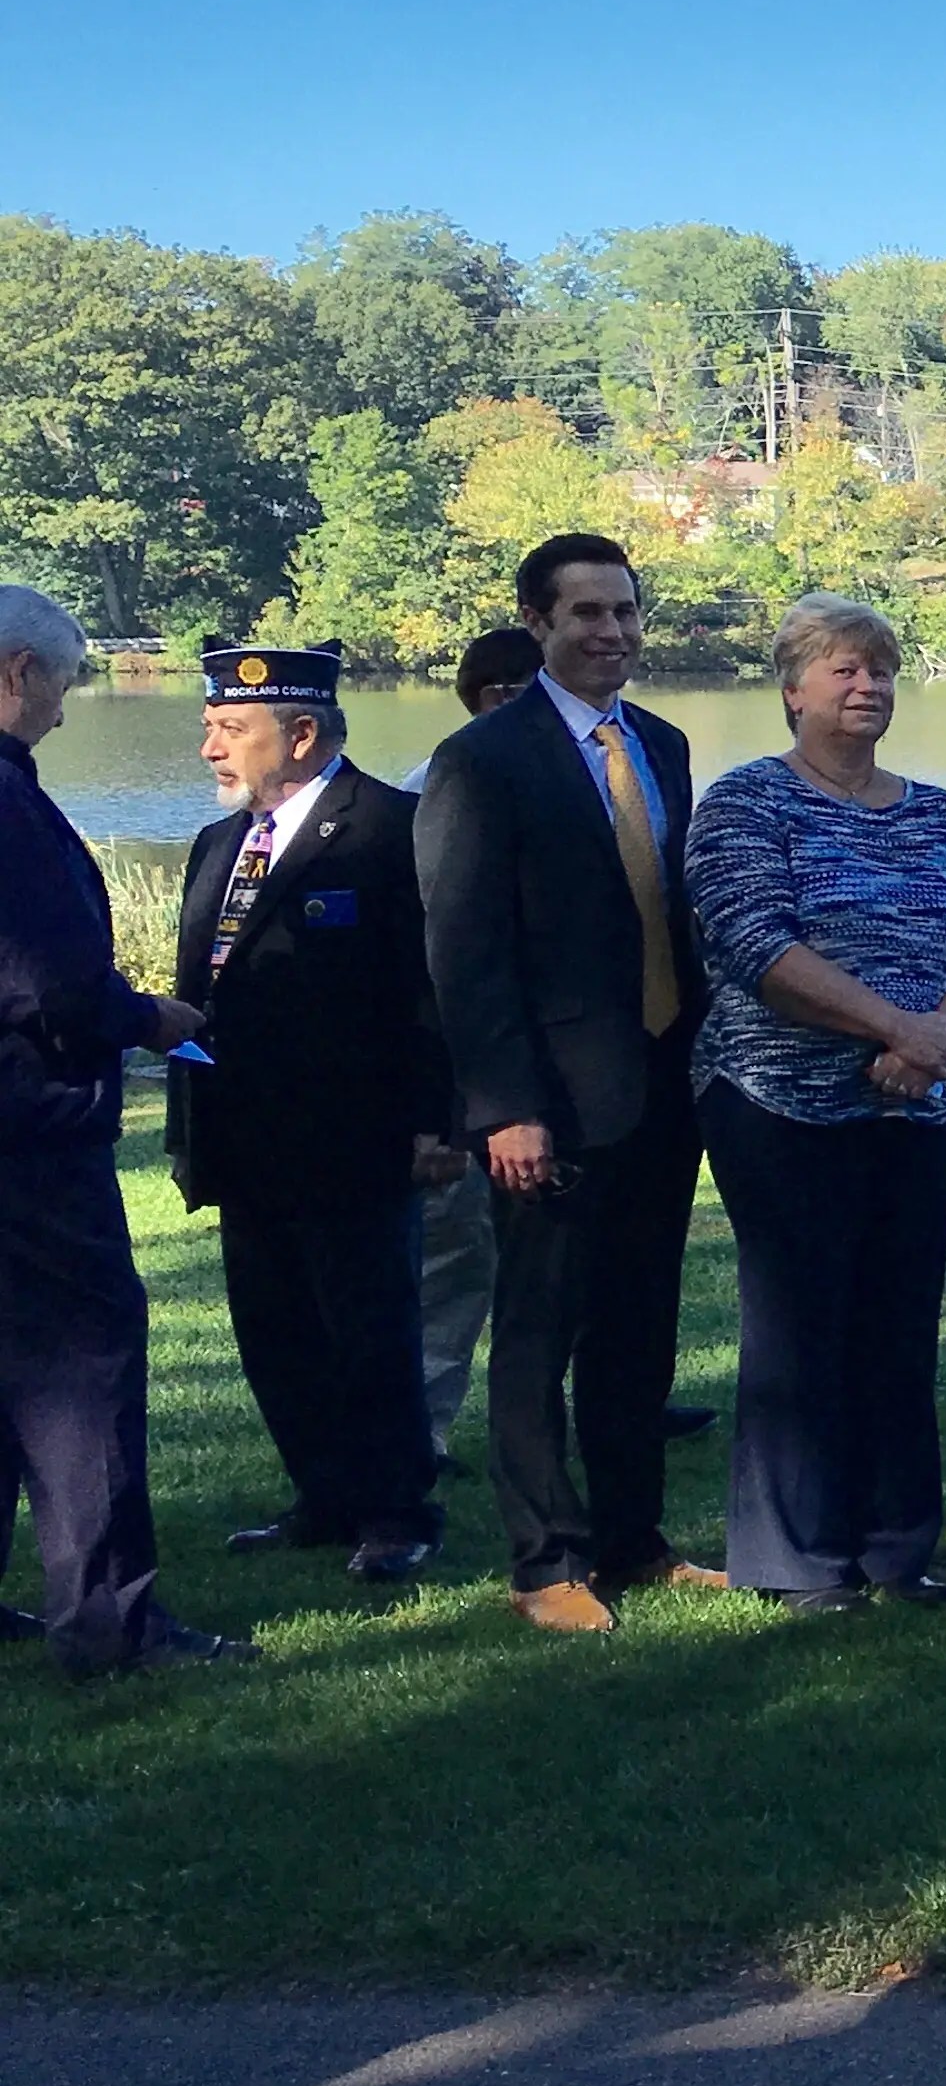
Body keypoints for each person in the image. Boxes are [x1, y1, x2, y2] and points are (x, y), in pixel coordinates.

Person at [686, 598, 946, 1613]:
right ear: (793, 692)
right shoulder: (746, 805)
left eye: (879, 669)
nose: (866, 686)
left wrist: (938, 1040)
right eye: (843, 670)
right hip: (778, 1105)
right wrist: (895, 1029)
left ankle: (895, 1545)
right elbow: (757, 947)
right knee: (800, 1327)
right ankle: (798, 1555)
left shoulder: (940, 814)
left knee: (897, 1323)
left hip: (912, 1107)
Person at [418, 532, 727, 1633]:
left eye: (626, 613)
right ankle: (545, 1560)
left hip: (659, 1085)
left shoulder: (666, 744)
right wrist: (502, 1107)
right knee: (539, 1327)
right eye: (587, 614)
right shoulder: (484, 761)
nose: (611, 633)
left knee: (641, 1325)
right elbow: (464, 949)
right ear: (539, 624)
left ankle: (635, 1540)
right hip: (546, 1103)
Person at [2, 585, 253, 1678]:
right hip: (32, 1131)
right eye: (61, 683)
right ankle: (111, 1620)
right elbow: (50, 985)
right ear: (18, 672)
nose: (65, 708)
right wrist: (146, 1017)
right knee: (81, 1366)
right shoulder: (7, 802)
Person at [170, 642, 452, 1584]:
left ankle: (394, 1510)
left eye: (231, 730)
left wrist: (436, 1120)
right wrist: (188, 1131)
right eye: (209, 725)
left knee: (366, 1329)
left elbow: (427, 990)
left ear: (301, 735)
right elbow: (203, 988)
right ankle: (322, 1499)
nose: (211, 746)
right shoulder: (220, 843)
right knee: (275, 1330)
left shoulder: (389, 828)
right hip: (243, 1138)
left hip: (354, 1137)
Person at [404, 626, 543, 1461]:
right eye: (505, 690)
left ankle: (598, 1393)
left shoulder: (615, 765)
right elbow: (440, 960)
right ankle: (423, 1426)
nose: (522, 703)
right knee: (455, 1260)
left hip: (564, 1061)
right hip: (469, 1069)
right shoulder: (439, 789)